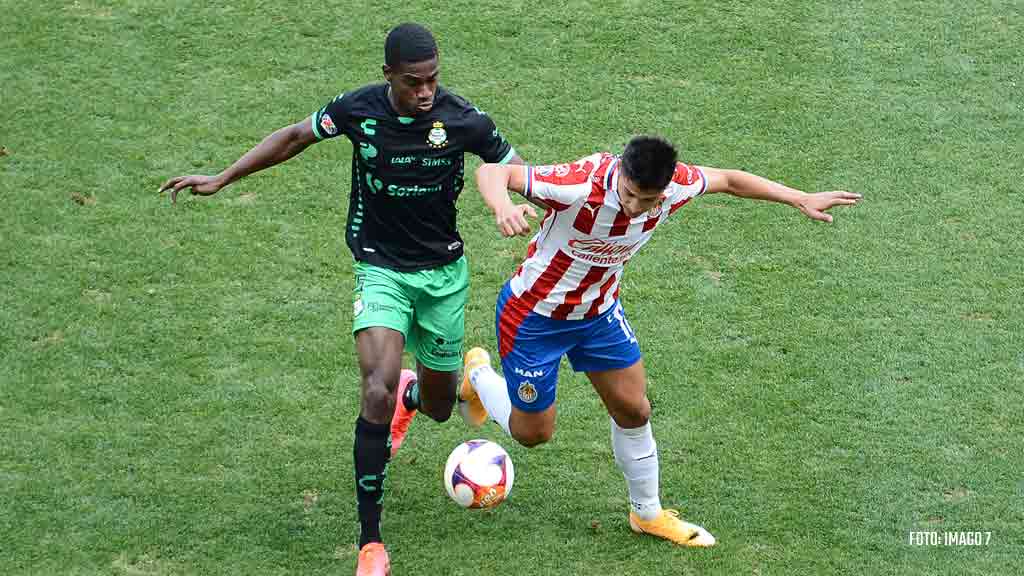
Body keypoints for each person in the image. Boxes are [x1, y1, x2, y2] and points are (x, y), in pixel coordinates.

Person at [159, 23, 523, 576]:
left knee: (443, 406)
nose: (425, 92)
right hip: (379, 266)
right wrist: (225, 176)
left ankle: (432, 392)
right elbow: (295, 136)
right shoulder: (358, 109)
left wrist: (512, 205)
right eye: (412, 82)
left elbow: (512, 167)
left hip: (443, 275)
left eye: (432, 80)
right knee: (375, 386)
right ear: (388, 77)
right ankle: (371, 541)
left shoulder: (462, 118)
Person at [464, 135, 860, 547]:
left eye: (647, 200)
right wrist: (502, 206)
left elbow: (728, 179)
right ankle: (478, 375)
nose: (636, 207)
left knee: (635, 409)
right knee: (534, 434)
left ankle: (647, 513)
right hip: (534, 317)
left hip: (598, 314)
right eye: (630, 194)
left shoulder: (676, 186)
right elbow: (494, 171)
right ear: (620, 172)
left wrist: (799, 198)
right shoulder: (579, 183)